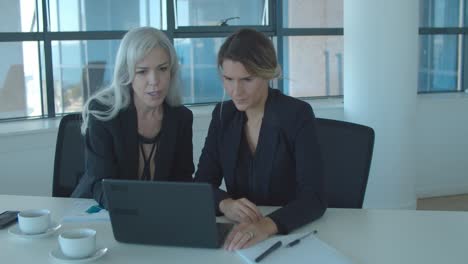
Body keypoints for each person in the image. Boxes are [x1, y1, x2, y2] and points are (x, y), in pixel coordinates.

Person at [194, 28, 326, 250]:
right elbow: (202, 183)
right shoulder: (222, 116)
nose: (236, 91)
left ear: (267, 74)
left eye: (247, 79)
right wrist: (225, 204)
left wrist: (267, 225)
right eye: (228, 79)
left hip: (289, 236)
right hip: (239, 235)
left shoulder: (297, 114)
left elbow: (314, 197)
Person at [72, 27, 194, 208]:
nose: (154, 80)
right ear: (126, 74)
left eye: (162, 69)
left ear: (172, 72)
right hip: (98, 212)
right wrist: (135, 211)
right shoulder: (104, 114)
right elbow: (100, 184)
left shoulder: (181, 118)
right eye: (142, 71)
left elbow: (182, 181)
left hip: (156, 215)